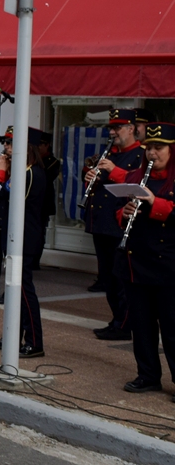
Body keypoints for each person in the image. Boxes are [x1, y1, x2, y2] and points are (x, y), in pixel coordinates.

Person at [116, 122, 175, 395]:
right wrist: (124, 213)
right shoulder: (138, 176)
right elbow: (118, 212)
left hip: (168, 264)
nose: (152, 153)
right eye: (149, 147)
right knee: (141, 324)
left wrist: (155, 203)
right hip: (137, 261)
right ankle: (148, 374)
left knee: (172, 327)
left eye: (159, 147)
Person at [0, 127, 47, 357]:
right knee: (13, 289)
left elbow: (12, 196)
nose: (6, 148)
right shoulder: (20, 170)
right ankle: (13, 334)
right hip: (13, 235)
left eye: (11, 144)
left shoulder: (32, 173)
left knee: (23, 290)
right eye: (6, 143)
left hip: (26, 237)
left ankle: (34, 341)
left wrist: (0, 175)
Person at [84, 109, 143, 341]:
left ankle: (124, 323)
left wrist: (112, 170)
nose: (112, 132)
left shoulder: (140, 155)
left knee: (121, 278)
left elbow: (137, 183)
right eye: (111, 128)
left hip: (121, 224)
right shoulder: (110, 153)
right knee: (107, 276)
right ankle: (116, 318)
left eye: (117, 128)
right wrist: (89, 175)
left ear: (131, 129)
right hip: (102, 223)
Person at [36, 133, 61, 270]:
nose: (38, 147)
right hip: (33, 201)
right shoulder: (34, 160)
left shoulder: (53, 161)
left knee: (39, 232)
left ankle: (35, 260)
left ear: (47, 145)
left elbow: (46, 177)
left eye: (41, 144)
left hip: (43, 202)